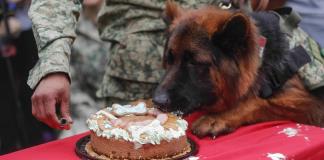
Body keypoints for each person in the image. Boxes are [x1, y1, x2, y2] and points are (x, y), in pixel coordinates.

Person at [59, 0, 109, 138]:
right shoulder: (68, 28)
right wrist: (97, 118)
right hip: (90, 113)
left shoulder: (127, 20)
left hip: (132, 111)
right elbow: (71, 86)